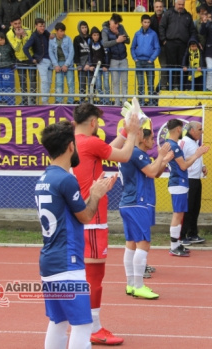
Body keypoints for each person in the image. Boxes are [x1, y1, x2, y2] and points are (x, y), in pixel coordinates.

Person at [35, 120, 117, 349]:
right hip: (67, 263)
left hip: (49, 261)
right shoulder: (66, 179)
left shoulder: (43, 179)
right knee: (82, 324)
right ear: (71, 146)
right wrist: (96, 194)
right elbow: (85, 216)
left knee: (58, 321)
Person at [72, 103, 141, 345]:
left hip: (82, 214)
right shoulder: (89, 142)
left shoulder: (75, 141)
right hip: (93, 218)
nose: (99, 126)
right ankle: (93, 327)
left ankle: (86, 325)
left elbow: (105, 150)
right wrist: (132, 132)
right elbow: (122, 155)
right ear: (92, 122)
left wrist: (123, 133)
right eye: (98, 123)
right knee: (95, 276)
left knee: (85, 275)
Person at [119, 128, 173, 299]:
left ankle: (131, 284)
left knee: (131, 244)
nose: (152, 142)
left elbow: (154, 173)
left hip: (129, 202)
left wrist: (162, 161)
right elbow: (151, 171)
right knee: (143, 244)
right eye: (151, 138)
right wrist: (160, 157)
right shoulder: (137, 153)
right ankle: (138, 285)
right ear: (142, 138)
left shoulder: (133, 153)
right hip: (137, 202)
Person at [165, 118, 209, 257]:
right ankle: (174, 244)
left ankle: (178, 243)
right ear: (179, 129)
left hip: (182, 182)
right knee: (178, 214)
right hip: (179, 182)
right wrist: (197, 155)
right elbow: (183, 165)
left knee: (182, 213)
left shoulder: (176, 144)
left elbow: (183, 162)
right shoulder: (176, 144)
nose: (202, 132)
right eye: (200, 129)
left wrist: (199, 159)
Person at [179, 121, 208, 245]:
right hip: (188, 179)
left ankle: (192, 233)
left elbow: (196, 157)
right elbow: (180, 159)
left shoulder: (195, 142)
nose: (202, 132)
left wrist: (203, 166)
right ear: (192, 131)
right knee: (188, 208)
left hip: (196, 179)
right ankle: (182, 235)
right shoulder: (183, 142)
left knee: (195, 208)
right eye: (200, 129)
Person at [159, 0, 197, 91]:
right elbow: (161, 27)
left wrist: (190, 43)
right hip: (170, 43)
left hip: (183, 45)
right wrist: (164, 40)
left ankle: (181, 86)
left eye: (182, 4)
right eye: (179, 4)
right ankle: (171, 86)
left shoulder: (188, 16)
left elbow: (192, 31)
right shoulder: (168, 14)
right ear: (175, 4)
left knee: (182, 66)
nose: (181, 6)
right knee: (171, 65)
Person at [101, 13, 130, 106]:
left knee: (125, 81)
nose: (117, 25)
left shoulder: (121, 28)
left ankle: (124, 102)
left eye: (118, 24)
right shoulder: (105, 30)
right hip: (113, 58)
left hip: (123, 57)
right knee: (115, 81)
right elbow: (105, 44)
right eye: (115, 23)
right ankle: (117, 102)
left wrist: (118, 33)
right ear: (110, 21)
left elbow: (128, 40)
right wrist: (117, 40)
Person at [131, 14, 160, 106]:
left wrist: (151, 59)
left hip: (149, 62)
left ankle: (151, 103)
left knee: (150, 83)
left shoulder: (153, 34)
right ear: (141, 22)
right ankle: (141, 103)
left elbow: (157, 48)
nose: (146, 24)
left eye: (148, 22)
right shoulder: (137, 34)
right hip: (139, 61)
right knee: (140, 84)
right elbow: (132, 47)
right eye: (145, 22)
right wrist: (135, 58)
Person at [6, 16, 35, 105]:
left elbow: (29, 45)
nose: (18, 26)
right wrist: (18, 37)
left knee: (33, 81)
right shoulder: (9, 34)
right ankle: (25, 101)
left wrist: (24, 36)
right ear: (11, 24)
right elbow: (16, 48)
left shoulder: (28, 30)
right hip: (19, 59)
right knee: (23, 82)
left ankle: (33, 101)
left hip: (30, 58)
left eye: (19, 23)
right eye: (15, 24)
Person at [23, 18, 52, 105]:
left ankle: (46, 99)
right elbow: (25, 48)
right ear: (36, 26)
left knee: (49, 81)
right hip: (41, 60)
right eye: (40, 26)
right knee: (44, 81)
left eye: (43, 26)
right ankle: (44, 101)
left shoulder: (46, 33)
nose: (42, 28)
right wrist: (32, 59)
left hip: (49, 60)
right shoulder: (34, 36)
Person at [49, 22, 75, 104]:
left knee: (70, 82)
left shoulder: (68, 39)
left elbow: (71, 52)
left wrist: (66, 64)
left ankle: (70, 101)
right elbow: (50, 53)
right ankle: (59, 101)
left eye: (63, 31)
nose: (63, 33)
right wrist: (55, 65)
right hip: (58, 62)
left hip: (68, 63)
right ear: (56, 31)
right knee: (59, 83)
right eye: (61, 31)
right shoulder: (51, 40)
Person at [0, 31, 15, 105]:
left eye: (3, 39)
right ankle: (1, 100)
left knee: (7, 84)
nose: (2, 41)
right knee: (0, 84)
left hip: (7, 68)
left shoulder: (8, 47)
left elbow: (12, 57)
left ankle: (10, 101)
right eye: (0, 40)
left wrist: (12, 64)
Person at [88, 26, 110, 105]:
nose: (96, 36)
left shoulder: (103, 44)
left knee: (106, 84)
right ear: (91, 36)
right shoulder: (90, 44)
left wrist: (106, 66)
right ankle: (101, 100)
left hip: (104, 67)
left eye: (97, 35)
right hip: (96, 68)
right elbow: (90, 55)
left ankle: (107, 101)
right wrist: (91, 65)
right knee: (98, 85)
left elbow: (107, 55)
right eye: (94, 35)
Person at [150, 0, 167, 91]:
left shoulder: (167, 16)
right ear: (154, 8)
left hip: (164, 46)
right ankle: (153, 89)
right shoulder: (151, 19)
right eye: (157, 7)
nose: (159, 8)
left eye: (160, 6)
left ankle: (162, 86)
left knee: (165, 66)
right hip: (154, 47)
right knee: (150, 68)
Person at [74, 20, 91, 100]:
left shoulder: (91, 38)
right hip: (81, 64)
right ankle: (82, 101)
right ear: (79, 29)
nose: (84, 29)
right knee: (82, 84)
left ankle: (91, 101)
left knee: (91, 84)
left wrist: (89, 63)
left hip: (90, 64)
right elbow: (76, 53)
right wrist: (78, 64)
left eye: (85, 27)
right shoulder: (77, 39)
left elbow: (93, 52)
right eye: (82, 28)